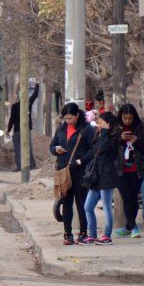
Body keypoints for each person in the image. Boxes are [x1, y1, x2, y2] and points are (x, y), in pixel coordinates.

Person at [49, 102, 95, 245]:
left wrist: (81, 160)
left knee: (81, 203)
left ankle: (83, 233)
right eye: (66, 118)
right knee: (66, 202)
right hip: (64, 171)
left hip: (80, 171)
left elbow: (93, 150)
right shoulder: (61, 129)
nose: (68, 121)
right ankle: (67, 234)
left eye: (70, 118)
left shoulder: (87, 129)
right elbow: (52, 146)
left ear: (77, 115)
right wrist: (55, 150)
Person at [81, 112, 120, 246]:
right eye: (99, 122)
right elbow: (94, 151)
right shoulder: (100, 136)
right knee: (88, 207)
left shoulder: (113, 138)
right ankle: (92, 235)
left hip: (107, 175)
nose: (99, 125)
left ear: (108, 124)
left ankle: (107, 236)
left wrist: (104, 132)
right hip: (96, 176)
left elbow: (103, 148)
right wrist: (80, 160)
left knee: (107, 206)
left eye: (101, 123)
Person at [114, 103, 144, 239]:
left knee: (133, 198)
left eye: (130, 118)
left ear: (134, 117)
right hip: (120, 170)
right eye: (125, 118)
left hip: (137, 169)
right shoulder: (116, 128)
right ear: (121, 117)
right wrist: (119, 139)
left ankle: (128, 227)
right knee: (127, 198)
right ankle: (133, 227)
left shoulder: (140, 129)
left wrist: (136, 141)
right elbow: (108, 145)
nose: (127, 121)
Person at [7, 82, 39, 171]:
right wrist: (37, 85)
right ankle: (32, 165)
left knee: (17, 149)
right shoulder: (28, 103)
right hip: (26, 130)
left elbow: (12, 119)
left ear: (19, 97)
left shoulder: (14, 106)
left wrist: (8, 130)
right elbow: (35, 95)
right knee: (28, 147)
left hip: (17, 130)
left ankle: (19, 167)